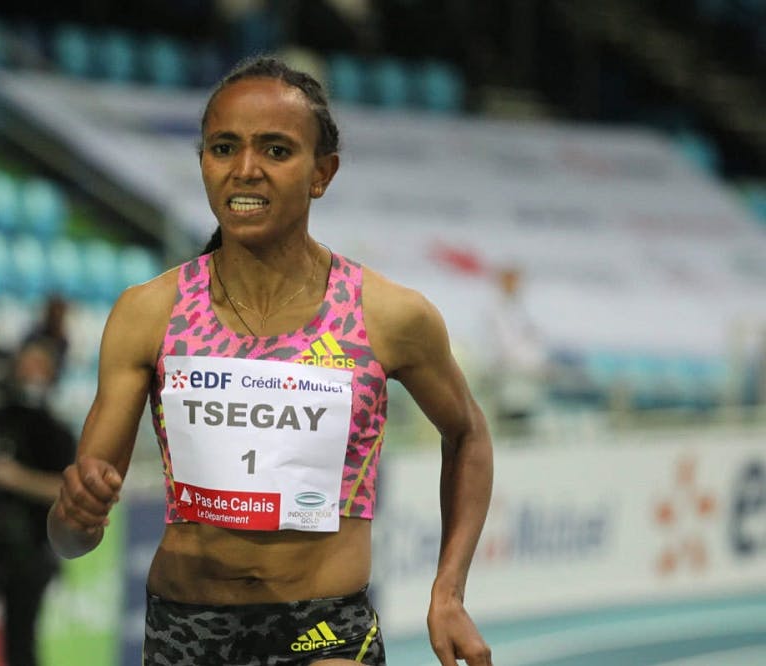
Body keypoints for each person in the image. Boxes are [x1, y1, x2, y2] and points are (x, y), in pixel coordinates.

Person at [48, 56, 494, 666]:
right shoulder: (149, 313)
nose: (245, 169)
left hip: (324, 628)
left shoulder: (387, 315)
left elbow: (468, 434)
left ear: (322, 173)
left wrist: (449, 592)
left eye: (276, 150)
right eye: (223, 148)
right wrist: (73, 515)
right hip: (185, 630)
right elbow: (72, 537)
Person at [0, 340, 76, 666]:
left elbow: (65, 489)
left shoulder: (56, 430)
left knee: (21, 641)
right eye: (26, 364)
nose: (32, 373)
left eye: (40, 365)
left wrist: (17, 478)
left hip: (34, 546)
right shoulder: (2, 418)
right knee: (10, 641)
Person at [484, 265, 548, 436]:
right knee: (510, 422)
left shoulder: (522, 308)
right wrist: (527, 363)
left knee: (525, 420)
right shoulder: (495, 310)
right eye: (511, 281)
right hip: (508, 375)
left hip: (527, 375)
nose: (516, 285)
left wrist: (537, 365)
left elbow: (535, 339)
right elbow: (504, 346)